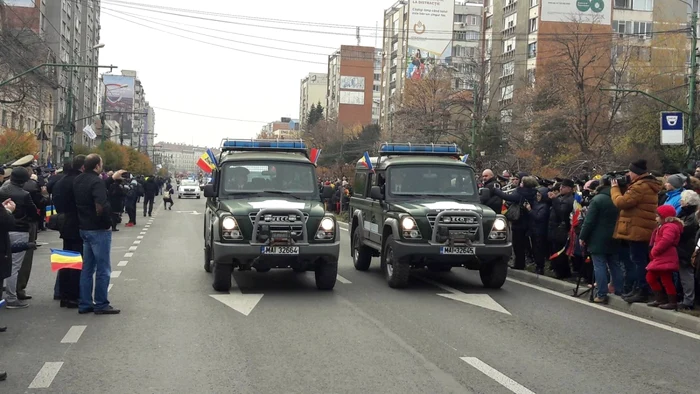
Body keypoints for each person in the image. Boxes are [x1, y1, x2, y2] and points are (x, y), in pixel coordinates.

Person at [611, 159, 663, 304]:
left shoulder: (640, 186)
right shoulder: (645, 184)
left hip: (637, 229)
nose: (628, 174)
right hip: (640, 228)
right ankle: (638, 288)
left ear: (636, 173)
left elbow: (621, 202)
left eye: (630, 172)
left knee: (638, 261)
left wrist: (614, 188)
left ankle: (642, 290)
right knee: (638, 260)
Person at [74, 154, 120, 315]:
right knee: (103, 268)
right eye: (101, 163)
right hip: (98, 229)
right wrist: (107, 223)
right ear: (97, 166)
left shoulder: (78, 180)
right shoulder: (96, 181)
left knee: (87, 268)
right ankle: (101, 303)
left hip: (84, 227)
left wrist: (111, 179)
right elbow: (101, 205)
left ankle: (85, 303)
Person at [579, 178, 623, 303]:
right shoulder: (618, 198)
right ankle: (619, 290)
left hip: (598, 237)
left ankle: (602, 293)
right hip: (615, 235)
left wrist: (582, 236)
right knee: (615, 264)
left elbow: (589, 221)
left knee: (599, 265)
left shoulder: (598, 199)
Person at [0, 168, 39, 308]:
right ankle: (11, 298)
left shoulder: (2, 190)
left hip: (4, 230)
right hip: (20, 229)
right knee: (14, 266)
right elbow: (34, 212)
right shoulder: (24, 195)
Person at [52, 155, 86, 309]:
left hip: (63, 222)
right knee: (77, 261)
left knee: (66, 260)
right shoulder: (78, 181)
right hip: (77, 223)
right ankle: (73, 296)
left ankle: (63, 294)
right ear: (83, 167)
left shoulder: (60, 181)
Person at [646, 205, 682, 310]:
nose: (655, 218)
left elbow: (667, 240)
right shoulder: (663, 226)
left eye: (657, 216)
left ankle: (671, 301)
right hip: (661, 257)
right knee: (652, 277)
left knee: (665, 279)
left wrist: (655, 250)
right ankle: (661, 298)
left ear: (664, 217)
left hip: (666, 256)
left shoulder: (669, 227)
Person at [677, 190, 699, 310]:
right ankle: (685, 297)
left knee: (687, 275)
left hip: (686, 250)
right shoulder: (685, 214)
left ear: (688, 202)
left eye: (683, 199)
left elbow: (683, 231)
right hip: (684, 248)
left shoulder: (691, 217)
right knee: (684, 275)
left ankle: (688, 300)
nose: (680, 201)